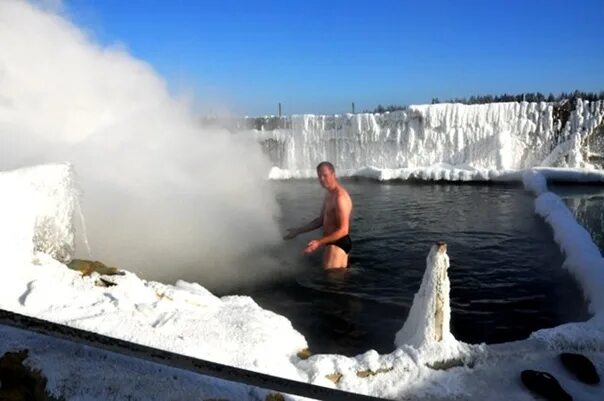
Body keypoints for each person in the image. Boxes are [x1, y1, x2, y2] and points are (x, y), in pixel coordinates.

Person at [283, 161, 353, 269]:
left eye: (325, 176)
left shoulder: (340, 197)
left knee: (331, 282)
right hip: (332, 242)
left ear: (333, 174)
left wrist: (318, 242)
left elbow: (344, 230)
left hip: (338, 244)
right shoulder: (329, 194)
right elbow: (320, 220)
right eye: (319, 176)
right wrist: (298, 231)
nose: (322, 179)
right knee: (336, 277)